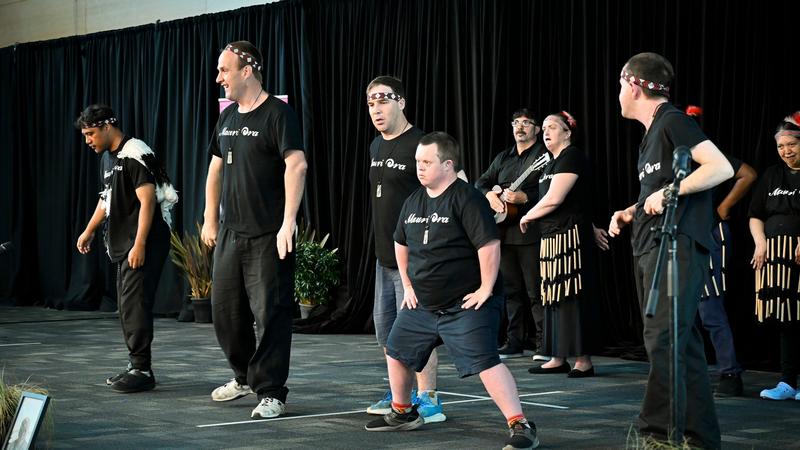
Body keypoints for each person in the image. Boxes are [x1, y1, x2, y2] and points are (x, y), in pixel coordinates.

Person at [365, 132, 539, 450]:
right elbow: (399, 242)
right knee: (396, 350)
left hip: (465, 303)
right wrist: (407, 285)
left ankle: (521, 424)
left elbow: (488, 244)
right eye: (417, 162)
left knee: (485, 362)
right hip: (423, 303)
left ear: (448, 165)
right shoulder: (414, 200)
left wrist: (486, 288)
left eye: (426, 162)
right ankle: (403, 413)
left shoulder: (467, 198)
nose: (419, 168)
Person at [608, 52, 732, 449]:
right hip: (652, 245)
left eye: (620, 86)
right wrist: (630, 210)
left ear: (632, 84)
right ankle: (699, 437)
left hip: (676, 246)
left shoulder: (672, 120)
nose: (618, 94)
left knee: (662, 338)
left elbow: (720, 167)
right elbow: (656, 192)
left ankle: (655, 433)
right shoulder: (652, 135)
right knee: (682, 343)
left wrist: (670, 191)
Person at [201, 41, 307, 419]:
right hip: (232, 232)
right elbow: (215, 168)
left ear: (247, 71)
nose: (219, 78)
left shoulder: (278, 114)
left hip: (268, 233)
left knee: (271, 313)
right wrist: (210, 217)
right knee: (224, 311)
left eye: (224, 70)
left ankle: (272, 390)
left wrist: (288, 222)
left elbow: (297, 165)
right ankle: (243, 376)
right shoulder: (227, 117)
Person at [75, 104, 177, 393]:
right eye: (85, 135)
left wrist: (140, 243)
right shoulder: (109, 159)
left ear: (107, 126)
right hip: (126, 242)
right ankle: (136, 365)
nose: (88, 141)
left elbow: (148, 200)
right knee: (127, 305)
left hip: (145, 241)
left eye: (91, 134)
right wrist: (89, 230)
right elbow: (106, 199)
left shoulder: (134, 152)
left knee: (135, 304)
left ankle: (142, 369)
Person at [365, 76, 444, 422]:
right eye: (370, 103)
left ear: (402, 102)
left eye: (383, 100)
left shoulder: (421, 145)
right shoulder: (375, 146)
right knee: (388, 332)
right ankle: (403, 394)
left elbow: (448, 189)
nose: (376, 109)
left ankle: (429, 397)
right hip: (385, 257)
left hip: (416, 259)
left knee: (417, 332)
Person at [519, 111, 598, 377]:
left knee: (571, 294)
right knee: (552, 294)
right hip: (550, 236)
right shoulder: (550, 163)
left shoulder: (571, 156)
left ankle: (582, 360)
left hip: (569, 236)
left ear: (567, 132)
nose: (547, 131)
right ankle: (557, 356)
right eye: (544, 127)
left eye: (553, 126)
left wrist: (528, 215)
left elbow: (555, 198)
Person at [685, 106, 756, 397]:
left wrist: (724, 207)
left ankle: (730, 373)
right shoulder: (671, 158)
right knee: (685, 310)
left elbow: (747, 174)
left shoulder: (707, 155)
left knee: (710, 307)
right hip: (683, 236)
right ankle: (692, 372)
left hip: (710, 234)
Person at [476, 109, 549, 360]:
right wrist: (491, 198)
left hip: (530, 234)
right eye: (516, 122)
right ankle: (514, 341)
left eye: (526, 123)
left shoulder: (544, 156)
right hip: (504, 233)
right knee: (511, 291)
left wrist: (526, 197)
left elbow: (553, 190)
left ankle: (544, 344)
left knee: (535, 291)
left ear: (537, 129)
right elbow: (481, 182)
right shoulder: (503, 157)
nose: (520, 127)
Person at [748, 111, 800, 401]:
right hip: (777, 257)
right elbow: (755, 214)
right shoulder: (771, 175)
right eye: (781, 146)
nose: (786, 151)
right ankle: (788, 382)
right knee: (787, 319)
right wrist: (760, 243)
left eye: (791, 144)